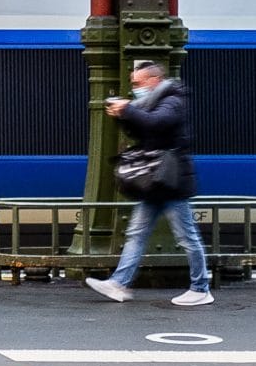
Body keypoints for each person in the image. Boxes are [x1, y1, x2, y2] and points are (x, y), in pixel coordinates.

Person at [87, 61, 212, 307]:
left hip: (171, 181)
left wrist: (129, 110)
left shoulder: (173, 100)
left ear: (153, 80)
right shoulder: (151, 102)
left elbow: (156, 122)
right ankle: (119, 283)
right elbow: (142, 130)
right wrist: (123, 115)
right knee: (136, 234)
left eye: (138, 83)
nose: (135, 88)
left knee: (187, 236)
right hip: (155, 181)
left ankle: (201, 288)